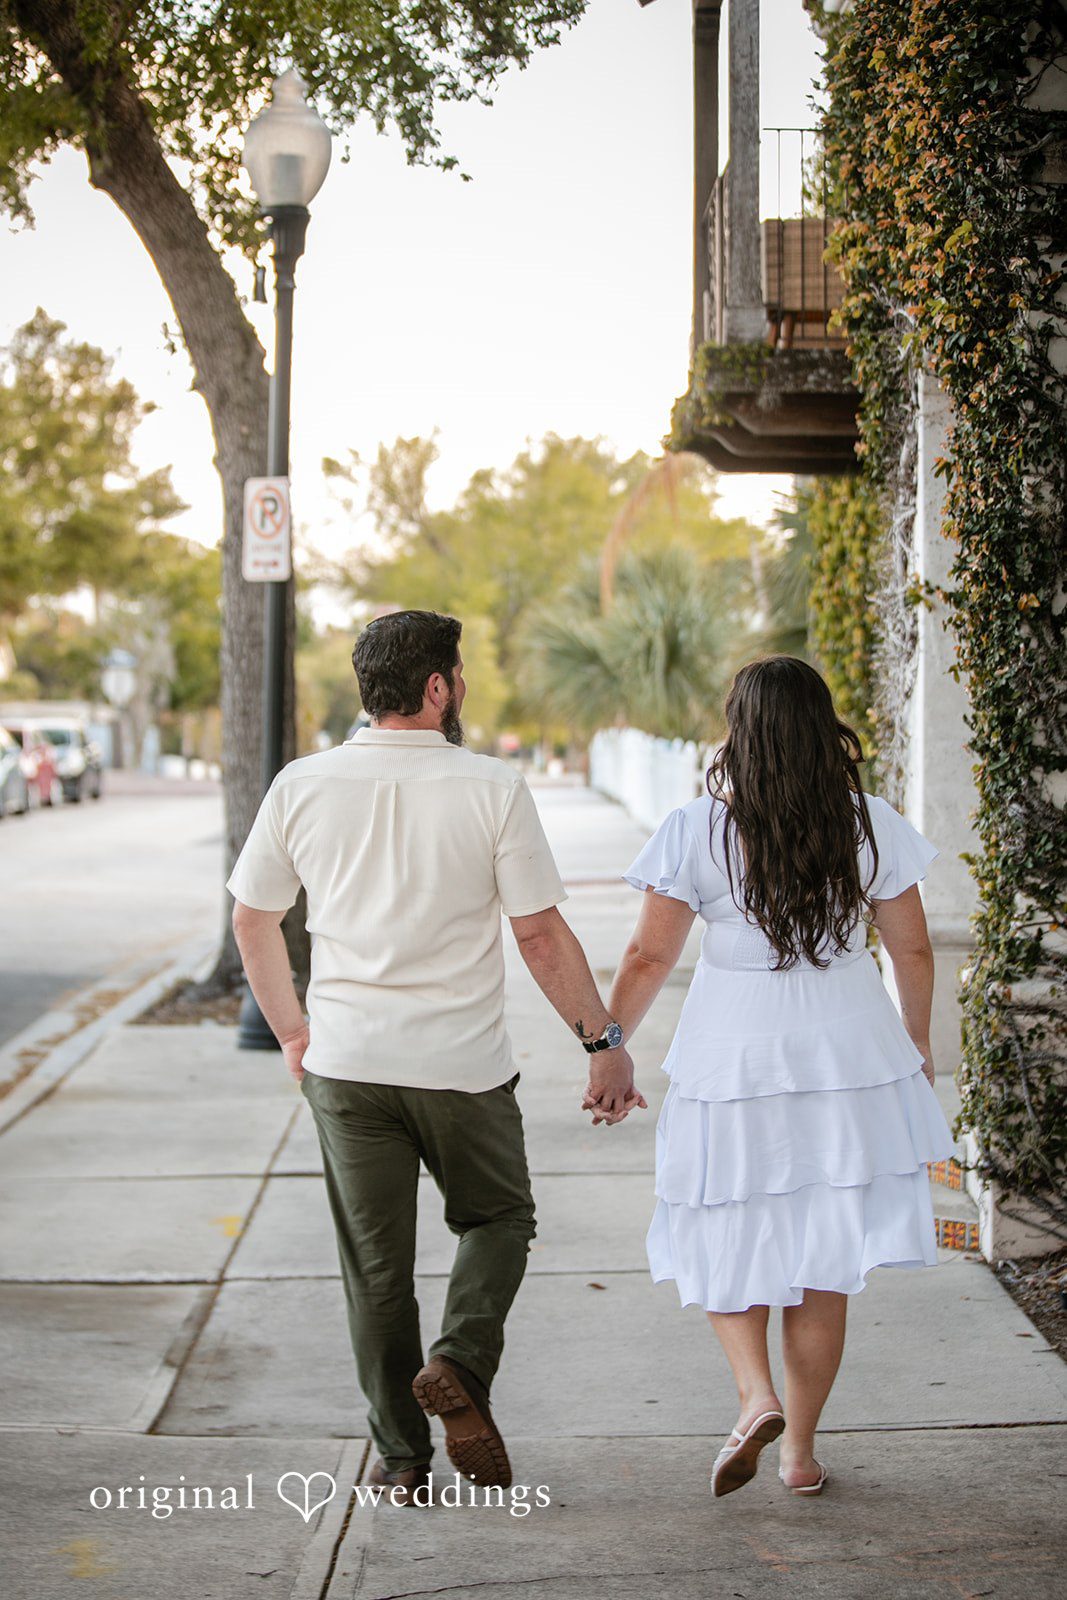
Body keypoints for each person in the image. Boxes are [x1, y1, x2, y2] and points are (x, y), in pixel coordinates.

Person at [227, 609, 641, 1505]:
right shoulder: (490, 787)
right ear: (437, 689)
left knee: (377, 1274)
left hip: (347, 1065)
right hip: (462, 1068)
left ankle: (403, 1460)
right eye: (457, 673)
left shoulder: (302, 784)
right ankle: (458, 1358)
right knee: (498, 1220)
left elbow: (253, 920)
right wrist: (602, 1043)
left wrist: (295, 1032)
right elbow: (537, 935)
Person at [590, 655, 956, 1499]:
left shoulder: (695, 829)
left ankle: (753, 1397)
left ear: (738, 730)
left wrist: (609, 1044)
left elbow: (649, 955)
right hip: (848, 1053)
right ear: (822, 725)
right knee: (825, 1260)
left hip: (734, 1052)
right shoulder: (867, 824)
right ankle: (798, 1456)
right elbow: (910, 947)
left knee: (721, 1222)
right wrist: (913, 1041)